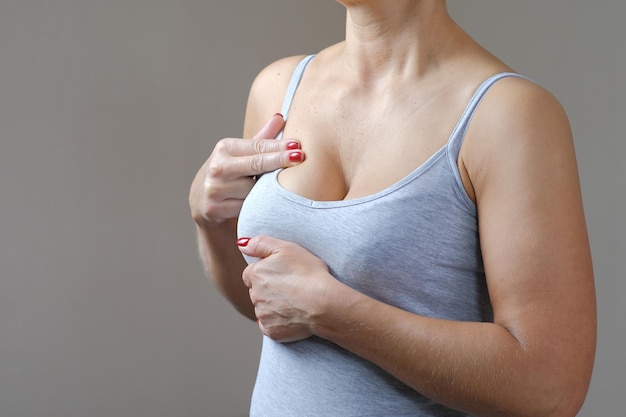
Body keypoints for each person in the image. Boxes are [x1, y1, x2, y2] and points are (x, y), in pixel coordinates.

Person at [189, 1, 596, 416]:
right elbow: (269, 305)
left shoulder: (509, 115)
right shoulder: (277, 88)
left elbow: (549, 389)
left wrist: (335, 313)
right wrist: (210, 222)